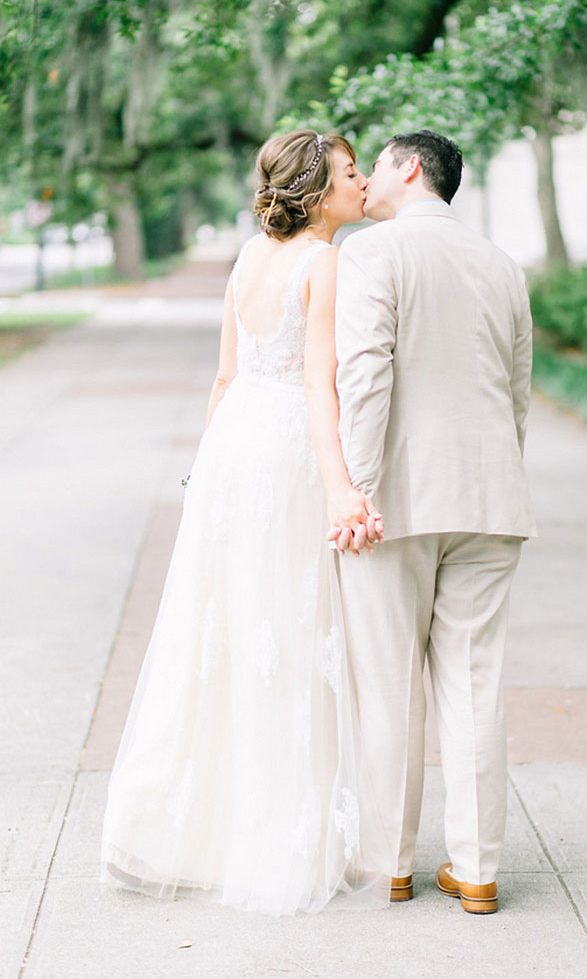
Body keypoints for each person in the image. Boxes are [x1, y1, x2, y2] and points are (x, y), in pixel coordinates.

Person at [101, 130, 389, 915]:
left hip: (234, 453)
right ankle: (279, 837)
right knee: (288, 639)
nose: (360, 183)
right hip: (288, 455)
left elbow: (226, 376)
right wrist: (342, 488)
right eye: (349, 173)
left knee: (223, 633)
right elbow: (319, 387)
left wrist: (206, 471)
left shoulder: (248, 257)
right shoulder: (323, 262)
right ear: (318, 191)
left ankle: (185, 828)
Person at [331, 129, 536, 913]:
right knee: (475, 685)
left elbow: (367, 373)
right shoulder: (501, 264)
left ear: (410, 167)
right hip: (490, 497)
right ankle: (478, 870)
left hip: (396, 503)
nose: (369, 178)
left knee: (390, 685)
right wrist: (497, 477)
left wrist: (358, 489)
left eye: (376, 163)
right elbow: (516, 392)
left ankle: (392, 862)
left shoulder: (373, 255)